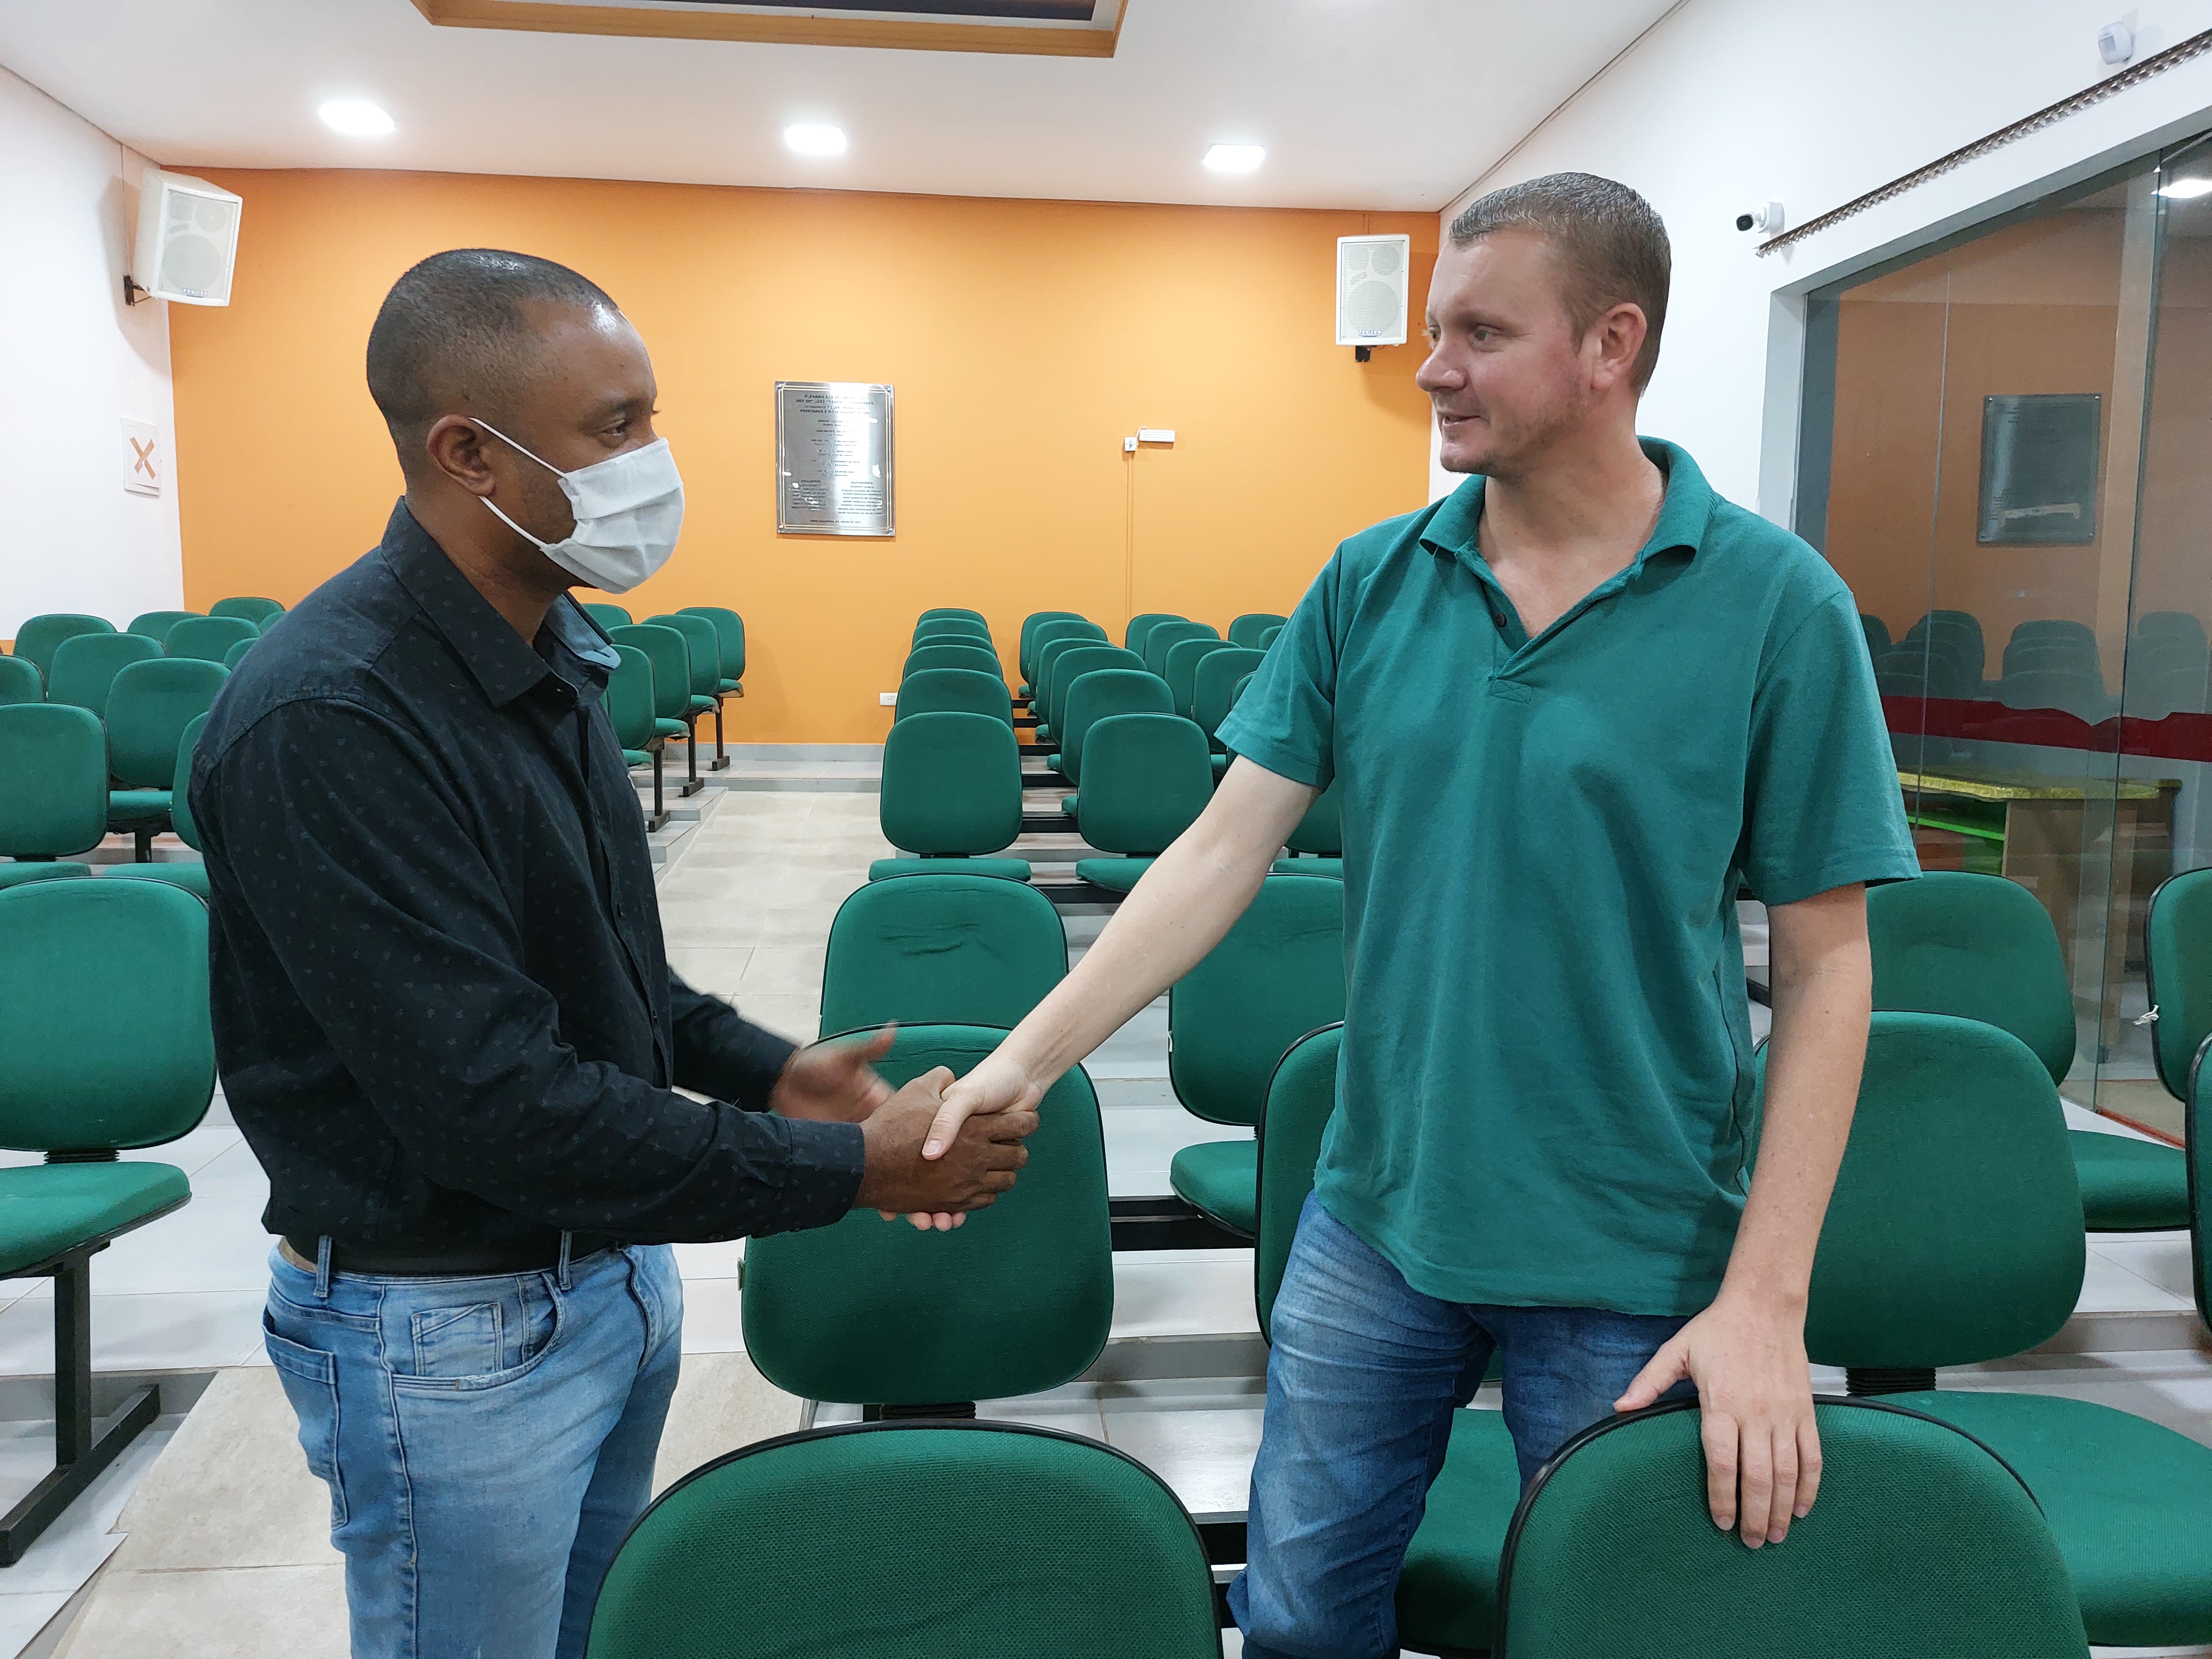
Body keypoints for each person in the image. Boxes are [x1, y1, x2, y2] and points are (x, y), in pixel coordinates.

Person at [911, 174, 1918, 1657]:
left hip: (1635, 1241)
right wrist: (1025, 1059)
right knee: (1301, 1614)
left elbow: (1830, 972)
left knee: (1609, 1624)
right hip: (1379, 1216)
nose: (1432, 367)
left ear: (1611, 346)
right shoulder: (1373, 581)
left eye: (1480, 334)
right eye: (1436, 328)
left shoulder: (1777, 605)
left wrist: (1768, 1297)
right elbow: (1219, 853)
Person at [189, 249, 1035, 1659]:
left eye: (651, 418)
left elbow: (610, 969)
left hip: (605, 1274)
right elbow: (496, 1104)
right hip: (447, 1327)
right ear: (470, 453)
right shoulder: (334, 716)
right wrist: (850, 1171)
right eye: (614, 426)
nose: (654, 461)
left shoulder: (546, 648)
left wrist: (766, 1070)